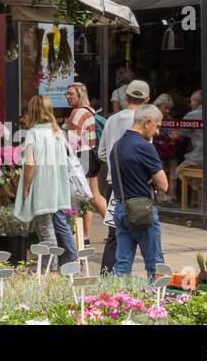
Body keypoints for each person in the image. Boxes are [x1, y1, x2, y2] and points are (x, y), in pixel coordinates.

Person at [110, 104, 167, 279]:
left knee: (122, 265)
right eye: (157, 126)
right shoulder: (144, 146)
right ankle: (157, 303)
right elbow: (164, 185)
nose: (157, 132)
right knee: (155, 265)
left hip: (120, 209)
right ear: (147, 122)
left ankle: (114, 301)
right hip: (142, 211)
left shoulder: (117, 146)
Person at [98, 78, 150, 272]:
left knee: (114, 235)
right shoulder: (144, 122)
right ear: (147, 99)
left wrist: (115, 165)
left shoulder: (112, 119)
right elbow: (148, 155)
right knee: (143, 235)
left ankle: (107, 276)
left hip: (114, 183)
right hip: (137, 187)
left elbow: (101, 153)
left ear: (126, 96)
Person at [13, 94, 72, 255]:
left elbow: (30, 164)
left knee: (45, 230)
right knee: (46, 227)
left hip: (41, 187)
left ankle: (50, 269)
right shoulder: (58, 133)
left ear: (33, 111)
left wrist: (26, 188)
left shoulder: (34, 133)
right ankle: (52, 267)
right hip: (57, 187)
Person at [65, 82, 106, 244]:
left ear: (80, 95)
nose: (68, 97)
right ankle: (116, 228)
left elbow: (72, 141)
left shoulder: (78, 113)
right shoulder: (89, 111)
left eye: (71, 94)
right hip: (92, 156)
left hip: (82, 156)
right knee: (94, 196)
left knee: (83, 197)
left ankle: (84, 236)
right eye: (66, 94)